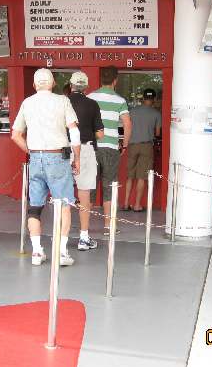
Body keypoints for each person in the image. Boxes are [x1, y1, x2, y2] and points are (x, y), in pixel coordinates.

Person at [11, 68, 81, 266]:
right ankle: (61, 253)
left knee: (35, 206)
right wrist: (77, 157)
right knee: (64, 205)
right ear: (53, 84)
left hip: (36, 157)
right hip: (57, 157)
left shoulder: (27, 103)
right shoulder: (63, 101)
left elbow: (15, 135)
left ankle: (36, 252)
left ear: (34, 85)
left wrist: (31, 151)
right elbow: (74, 132)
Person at [88, 66, 132, 235]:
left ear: (101, 80)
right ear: (115, 80)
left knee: (89, 186)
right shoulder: (120, 100)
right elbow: (127, 124)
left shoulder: (90, 97)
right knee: (109, 186)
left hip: (92, 148)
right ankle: (108, 226)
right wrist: (124, 144)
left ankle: (85, 228)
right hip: (111, 148)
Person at [67, 71, 104, 251]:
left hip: (63, 149)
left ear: (70, 85)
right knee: (84, 194)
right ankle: (83, 237)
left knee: (62, 194)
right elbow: (100, 134)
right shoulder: (92, 104)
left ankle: (61, 238)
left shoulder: (62, 102)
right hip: (85, 149)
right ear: (86, 87)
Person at [123, 88, 161, 211]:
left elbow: (127, 127)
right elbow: (157, 133)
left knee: (130, 176)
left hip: (133, 145)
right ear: (154, 99)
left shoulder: (132, 111)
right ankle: (137, 205)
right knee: (141, 176)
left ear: (143, 98)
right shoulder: (156, 113)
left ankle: (125, 203)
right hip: (147, 146)